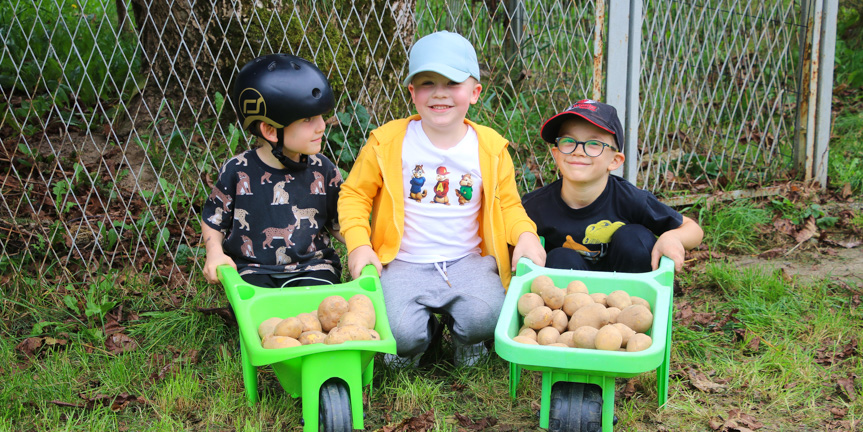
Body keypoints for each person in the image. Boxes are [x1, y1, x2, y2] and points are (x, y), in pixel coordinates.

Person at [337, 30, 546, 367]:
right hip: (403, 262)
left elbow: (508, 205)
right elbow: (354, 195)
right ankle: (422, 337)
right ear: (412, 92)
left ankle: (467, 336)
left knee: (488, 316)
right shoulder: (388, 142)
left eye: (452, 84)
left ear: (475, 92)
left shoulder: (490, 149)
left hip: (466, 260)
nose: (439, 94)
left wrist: (524, 235)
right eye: (427, 83)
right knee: (399, 333)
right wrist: (359, 245)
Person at [201, 54, 344, 288]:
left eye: (321, 116)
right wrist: (214, 253)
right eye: (308, 118)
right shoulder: (237, 171)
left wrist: (365, 246)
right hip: (252, 270)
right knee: (259, 316)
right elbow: (214, 220)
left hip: (312, 267)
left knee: (319, 309)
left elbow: (341, 223)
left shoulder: (323, 169)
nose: (321, 126)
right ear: (270, 130)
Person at [522, 100, 703, 273]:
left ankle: (643, 299)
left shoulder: (629, 199)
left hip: (629, 294)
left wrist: (671, 237)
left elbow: (692, 229)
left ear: (615, 160)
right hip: (570, 298)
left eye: (594, 144)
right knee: (560, 258)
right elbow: (507, 234)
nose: (578, 151)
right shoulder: (536, 206)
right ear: (556, 153)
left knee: (635, 237)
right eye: (569, 141)